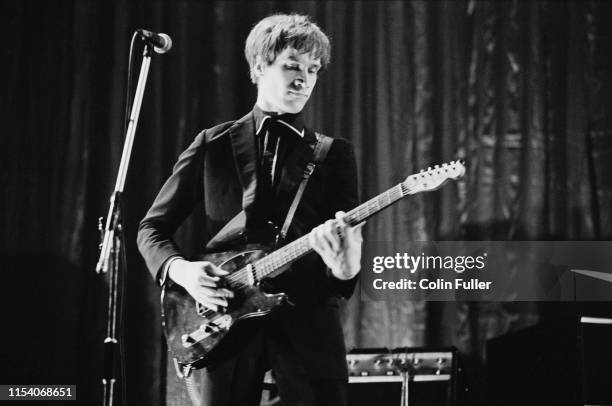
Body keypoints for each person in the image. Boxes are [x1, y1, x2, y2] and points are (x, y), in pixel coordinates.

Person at [137, 13, 363, 406]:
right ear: (259, 67)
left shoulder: (333, 154)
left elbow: (341, 262)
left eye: (312, 70)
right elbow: (151, 228)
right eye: (292, 65)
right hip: (224, 322)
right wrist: (183, 271)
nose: (303, 79)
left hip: (307, 322)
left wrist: (346, 270)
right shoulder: (212, 143)